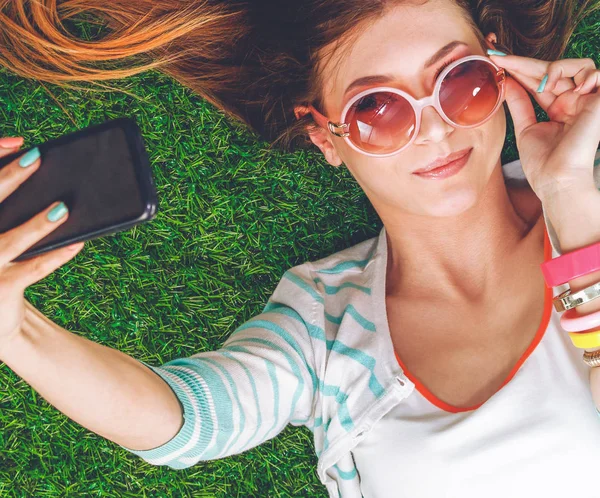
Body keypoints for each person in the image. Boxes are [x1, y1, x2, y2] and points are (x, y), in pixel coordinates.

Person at [1, 0, 600, 496]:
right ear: (324, 135)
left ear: (501, 70)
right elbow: (186, 420)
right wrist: (12, 330)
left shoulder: (588, 215)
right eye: (378, 110)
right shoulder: (326, 322)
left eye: (460, 81)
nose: (437, 129)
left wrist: (572, 197)